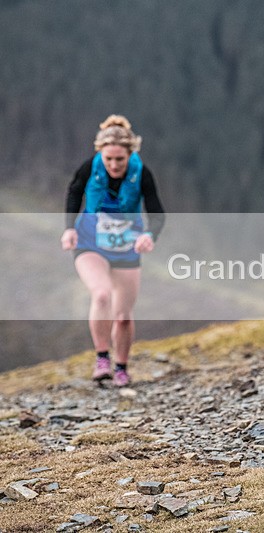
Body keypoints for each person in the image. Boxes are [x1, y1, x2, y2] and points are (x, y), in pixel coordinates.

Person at [60, 115, 165, 387]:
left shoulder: (142, 173)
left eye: (120, 159)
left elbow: (157, 214)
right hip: (89, 242)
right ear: (100, 154)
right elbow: (74, 194)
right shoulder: (88, 168)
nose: (114, 165)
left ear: (130, 154)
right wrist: (69, 228)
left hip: (126, 247)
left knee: (123, 315)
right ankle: (102, 358)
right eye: (108, 159)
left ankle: (121, 367)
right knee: (102, 293)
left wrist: (149, 235)